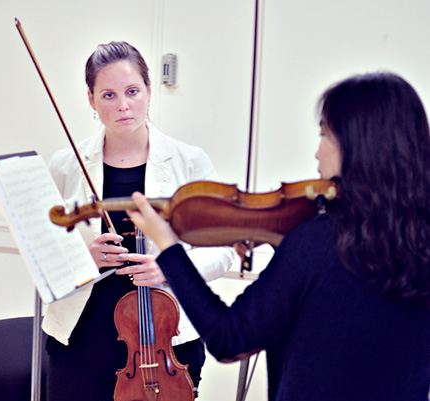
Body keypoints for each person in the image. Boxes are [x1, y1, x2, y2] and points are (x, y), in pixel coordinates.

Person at [126, 72, 430, 401]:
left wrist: (169, 247)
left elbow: (228, 339)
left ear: (359, 146)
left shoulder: (316, 244)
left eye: (325, 135)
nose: (317, 152)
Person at [42, 41, 235, 401]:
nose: (123, 106)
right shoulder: (66, 163)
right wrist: (83, 258)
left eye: (132, 91)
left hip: (166, 343)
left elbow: (224, 250)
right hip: (80, 342)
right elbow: (43, 252)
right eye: (108, 95)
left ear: (149, 90)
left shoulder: (189, 162)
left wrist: (170, 268)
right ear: (91, 100)